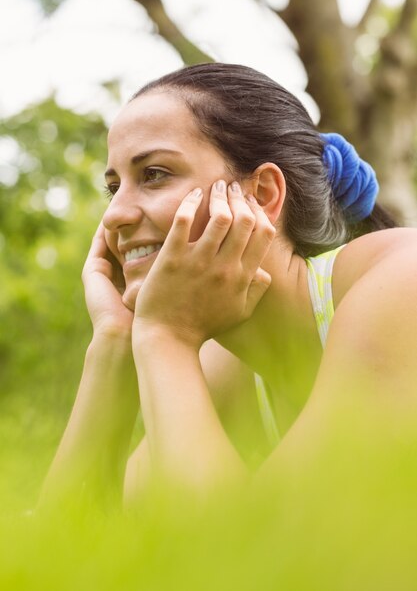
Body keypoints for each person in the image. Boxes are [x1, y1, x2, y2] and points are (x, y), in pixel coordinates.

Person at [40, 63, 417, 509]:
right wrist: (115, 341)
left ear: (262, 195)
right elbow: (72, 555)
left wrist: (166, 337)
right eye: (113, 187)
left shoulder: (403, 282)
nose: (114, 215)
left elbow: (260, 559)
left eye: (154, 174)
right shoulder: (229, 369)